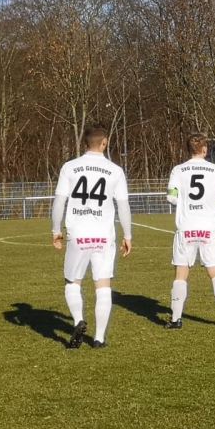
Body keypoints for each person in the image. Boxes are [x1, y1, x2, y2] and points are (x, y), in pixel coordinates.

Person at [51, 124, 132, 349]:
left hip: (78, 234)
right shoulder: (115, 170)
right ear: (105, 142)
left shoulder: (70, 167)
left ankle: (78, 321)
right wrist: (128, 235)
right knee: (103, 285)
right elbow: (123, 206)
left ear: (84, 143)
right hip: (104, 236)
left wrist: (56, 230)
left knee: (72, 282)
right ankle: (99, 338)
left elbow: (59, 202)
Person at [165, 133, 215, 328]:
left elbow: (171, 197)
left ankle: (176, 320)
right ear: (204, 149)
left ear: (189, 150)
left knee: (181, 273)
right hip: (209, 228)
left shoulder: (178, 170)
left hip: (186, 227)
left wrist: (183, 203)